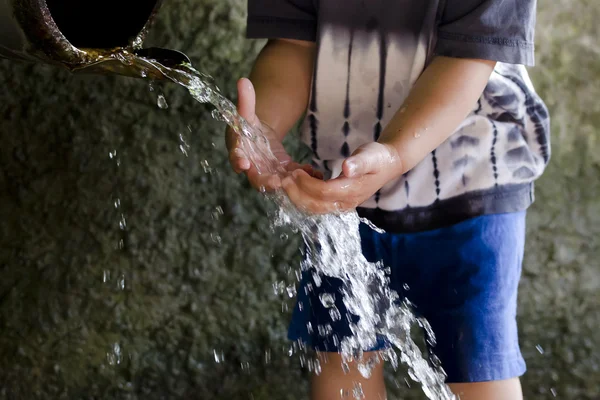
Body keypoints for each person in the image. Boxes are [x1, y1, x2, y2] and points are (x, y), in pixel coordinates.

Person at [226, 1, 551, 399]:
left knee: (478, 368)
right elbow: (294, 44)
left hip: (471, 189)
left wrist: (397, 153)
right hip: (342, 193)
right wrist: (264, 129)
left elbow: (468, 56)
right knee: (342, 360)